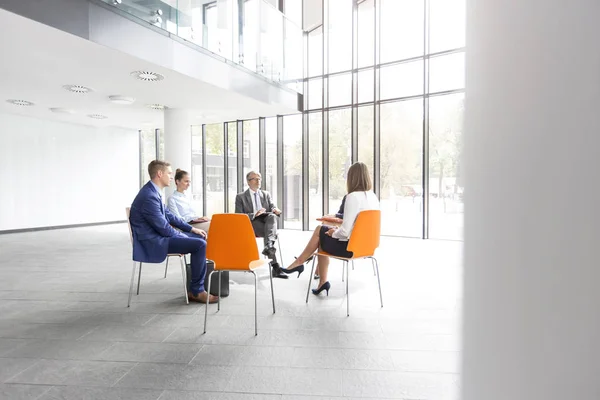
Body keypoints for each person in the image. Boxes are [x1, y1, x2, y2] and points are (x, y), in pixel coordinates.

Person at [282, 162, 379, 294]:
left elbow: (344, 232)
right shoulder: (373, 197)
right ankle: (321, 282)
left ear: (351, 178)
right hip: (367, 248)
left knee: (320, 231)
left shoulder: (353, 197)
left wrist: (333, 232)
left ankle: (300, 262)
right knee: (323, 236)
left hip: (350, 249)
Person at [129, 160, 218, 304]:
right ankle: (196, 291)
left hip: (159, 235)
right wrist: (182, 236)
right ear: (159, 174)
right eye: (169, 173)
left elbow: (170, 216)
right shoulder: (149, 196)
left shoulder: (153, 192)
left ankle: (199, 285)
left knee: (199, 237)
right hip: (153, 241)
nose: (171, 177)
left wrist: (191, 229)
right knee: (199, 244)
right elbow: (163, 227)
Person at [234, 171, 287, 279]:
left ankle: (269, 247)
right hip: (251, 224)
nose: (258, 181)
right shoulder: (241, 197)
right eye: (255, 179)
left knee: (272, 216)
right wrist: (255, 214)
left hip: (266, 222)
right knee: (270, 234)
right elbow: (238, 216)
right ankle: (275, 265)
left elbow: (272, 206)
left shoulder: (266, 194)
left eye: (260, 178)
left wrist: (275, 209)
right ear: (248, 182)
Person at [167, 168, 210, 233]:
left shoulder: (188, 197)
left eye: (189, 181)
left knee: (216, 223)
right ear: (177, 181)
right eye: (186, 181)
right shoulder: (172, 199)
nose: (189, 184)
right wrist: (194, 218)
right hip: (186, 226)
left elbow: (192, 214)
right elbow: (177, 220)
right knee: (214, 225)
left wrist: (200, 218)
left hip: (195, 223)